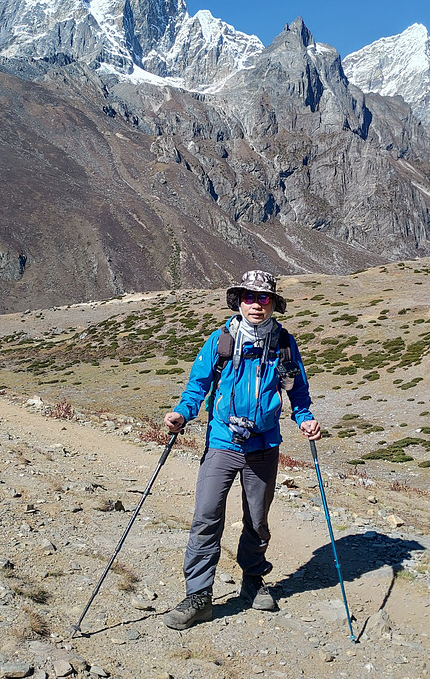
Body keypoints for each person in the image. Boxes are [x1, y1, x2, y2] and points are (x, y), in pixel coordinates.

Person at [163, 269, 321, 630]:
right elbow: (197, 387)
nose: (256, 304)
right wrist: (181, 414)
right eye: (248, 297)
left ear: (273, 304)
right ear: (239, 301)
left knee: (258, 521)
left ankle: (252, 580)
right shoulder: (220, 340)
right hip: (222, 441)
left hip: (264, 446)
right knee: (206, 516)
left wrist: (305, 418)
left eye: (263, 298)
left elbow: (296, 391)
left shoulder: (284, 344)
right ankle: (199, 596)